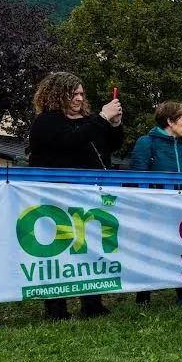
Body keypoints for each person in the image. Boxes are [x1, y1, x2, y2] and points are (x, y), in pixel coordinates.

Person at [28, 71, 124, 320]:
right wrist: (102, 118)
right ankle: (56, 309)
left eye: (81, 93)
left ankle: (93, 304)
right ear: (57, 94)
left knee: (92, 247)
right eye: (73, 93)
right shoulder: (47, 121)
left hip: (90, 195)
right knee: (57, 250)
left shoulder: (89, 121)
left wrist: (114, 125)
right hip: (56, 196)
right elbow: (69, 142)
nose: (79, 98)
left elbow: (111, 145)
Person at [130, 100, 182, 312]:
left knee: (180, 248)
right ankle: (143, 295)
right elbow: (137, 175)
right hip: (153, 209)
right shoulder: (146, 142)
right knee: (149, 249)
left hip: (180, 209)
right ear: (169, 120)